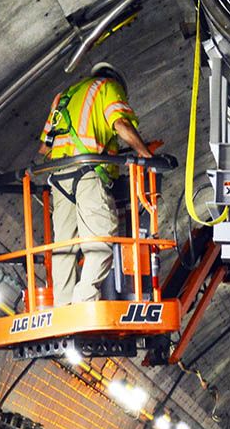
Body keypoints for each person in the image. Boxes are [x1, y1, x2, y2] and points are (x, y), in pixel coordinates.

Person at [37, 61, 157, 304]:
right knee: (101, 245)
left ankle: (63, 308)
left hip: (59, 177)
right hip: (88, 174)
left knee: (64, 248)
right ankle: (83, 302)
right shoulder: (108, 87)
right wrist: (147, 157)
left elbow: (44, 149)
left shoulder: (64, 96)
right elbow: (120, 124)